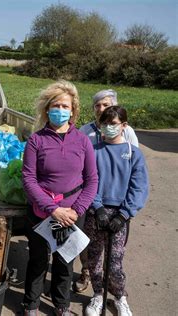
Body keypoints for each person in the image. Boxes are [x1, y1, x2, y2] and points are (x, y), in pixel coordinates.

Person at [21, 80, 98, 316]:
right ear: (47, 110)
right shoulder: (37, 140)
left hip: (73, 213)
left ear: (73, 110)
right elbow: (28, 178)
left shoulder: (83, 141)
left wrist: (77, 210)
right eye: (56, 105)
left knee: (65, 261)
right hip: (43, 212)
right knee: (38, 261)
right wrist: (53, 209)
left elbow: (92, 179)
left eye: (66, 106)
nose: (61, 110)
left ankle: (61, 305)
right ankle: (31, 304)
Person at [84, 106, 149, 316]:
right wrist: (97, 206)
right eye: (105, 123)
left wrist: (124, 214)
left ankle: (120, 296)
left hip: (120, 214)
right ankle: (97, 294)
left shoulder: (133, 154)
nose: (109, 127)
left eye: (114, 123)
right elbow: (87, 182)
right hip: (97, 213)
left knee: (114, 262)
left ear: (124, 126)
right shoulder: (94, 152)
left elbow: (138, 187)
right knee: (94, 258)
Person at [74, 89, 139, 293]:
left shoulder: (126, 132)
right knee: (88, 241)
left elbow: (132, 167)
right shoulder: (86, 131)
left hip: (118, 201)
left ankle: (114, 284)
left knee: (115, 248)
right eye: (97, 105)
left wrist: (128, 205)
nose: (101, 109)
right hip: (90, 198)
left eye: (106, 104)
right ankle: (88, 274)